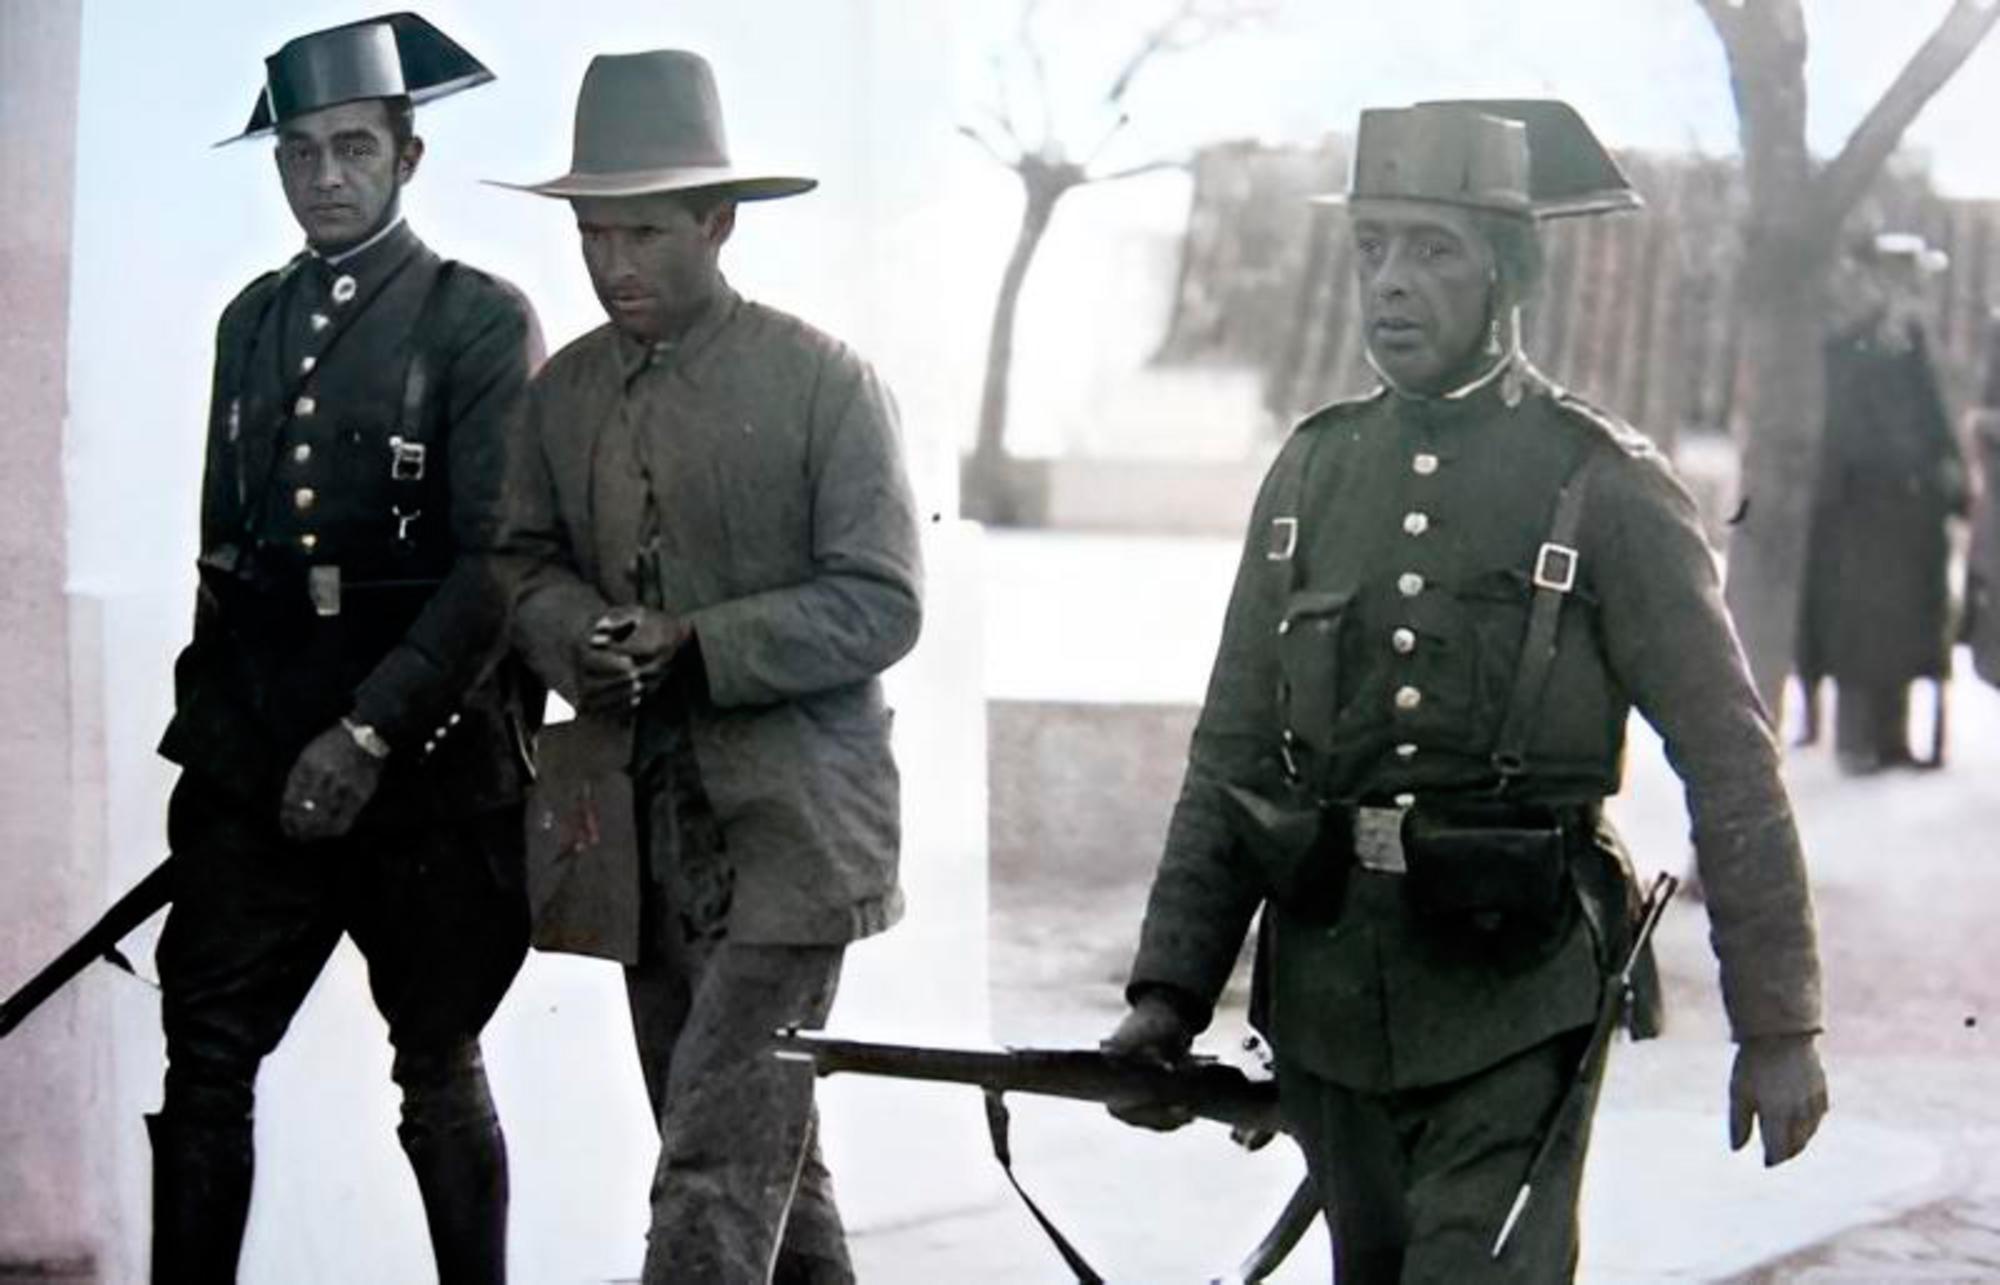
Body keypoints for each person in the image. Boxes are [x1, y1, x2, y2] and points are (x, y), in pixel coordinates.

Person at [1101, 100, 1828, 1283]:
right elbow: (1233, 752)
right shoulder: (1310, 473)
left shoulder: (1602, 486)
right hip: (1331, 993)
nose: (1390, 283)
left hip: (1519, 992)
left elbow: (1728, 756)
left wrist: (1779, 1023)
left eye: (1431, 250)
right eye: (1371, 247)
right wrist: (1166, 997)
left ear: (1508, 273)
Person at [492, 50, 922, 1285]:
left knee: (712, 1166)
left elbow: (882, 603)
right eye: (592, 234)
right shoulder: (561, 395)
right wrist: (574, 633)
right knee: (749, 1145)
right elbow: (517, 563)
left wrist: (698, 641)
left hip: (795, 834)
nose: (614, 264)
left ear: (718, 223)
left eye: (645, 233)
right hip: (633, 838)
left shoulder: (823, 384)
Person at [150, 15, 541, 1283]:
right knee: (205, 1055)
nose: (324, 175)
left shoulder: (477, 318)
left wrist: (371, 731)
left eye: (354, 149)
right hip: (261, 751)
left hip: (423, 756)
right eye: (301, 153)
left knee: (437, 1057)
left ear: (408, 157)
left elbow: (493, 561)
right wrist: (219, 752)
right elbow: (225, 552)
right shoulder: (249, 322)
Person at [1796, 232, 1965, 771]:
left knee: (1907, 629)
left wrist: (1948, 475)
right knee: (1864, 630)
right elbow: (1850, 434)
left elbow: (1935, 425)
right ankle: (1859, 741)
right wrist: (1911, 470)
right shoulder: (1848, 349)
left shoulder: (1912, 347)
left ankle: (1893, 740)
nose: (1909, 297)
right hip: (1862, 517)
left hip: (1911, 520)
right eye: (1902, 284)